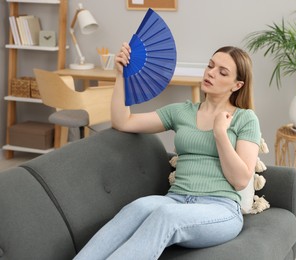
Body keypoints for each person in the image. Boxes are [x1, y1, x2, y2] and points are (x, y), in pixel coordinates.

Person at [74, 42, 261, 260]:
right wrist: (121, 76)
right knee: (137, 207)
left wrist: (220, 133)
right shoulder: (181, 111)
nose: (211, 73)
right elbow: (123, 121)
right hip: (176, 199)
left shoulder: (245, 118)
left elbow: (240, 180)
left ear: (237, 85)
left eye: (222, 72)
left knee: (166, 215)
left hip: (221, 208)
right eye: (210, 65)